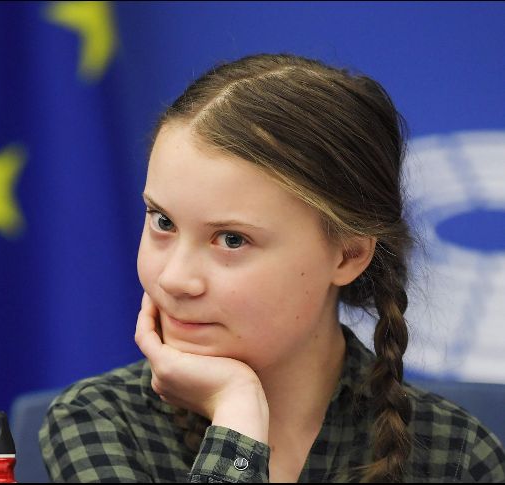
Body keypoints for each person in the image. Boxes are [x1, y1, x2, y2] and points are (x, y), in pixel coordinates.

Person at [38, 53, 505, 482]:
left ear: (347, 255)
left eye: (232, 239)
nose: (174, 279)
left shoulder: (457, 455)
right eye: (163, 222)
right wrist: (237, 414)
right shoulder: (98, 420)